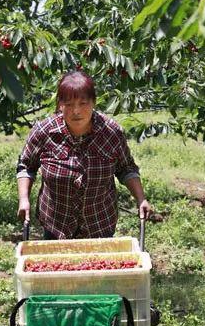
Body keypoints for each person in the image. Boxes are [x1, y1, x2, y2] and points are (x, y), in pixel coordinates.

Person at [16, 70, 153, 239]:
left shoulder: (111, 132)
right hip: (57, 224)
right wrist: (24, 199)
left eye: (83, 103)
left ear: (94, 102)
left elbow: (126, 168)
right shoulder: (44, 131)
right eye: (69, 104)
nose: (76, 111)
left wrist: (141, 199)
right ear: (60, 104)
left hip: (99, 224)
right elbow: (26, 166)